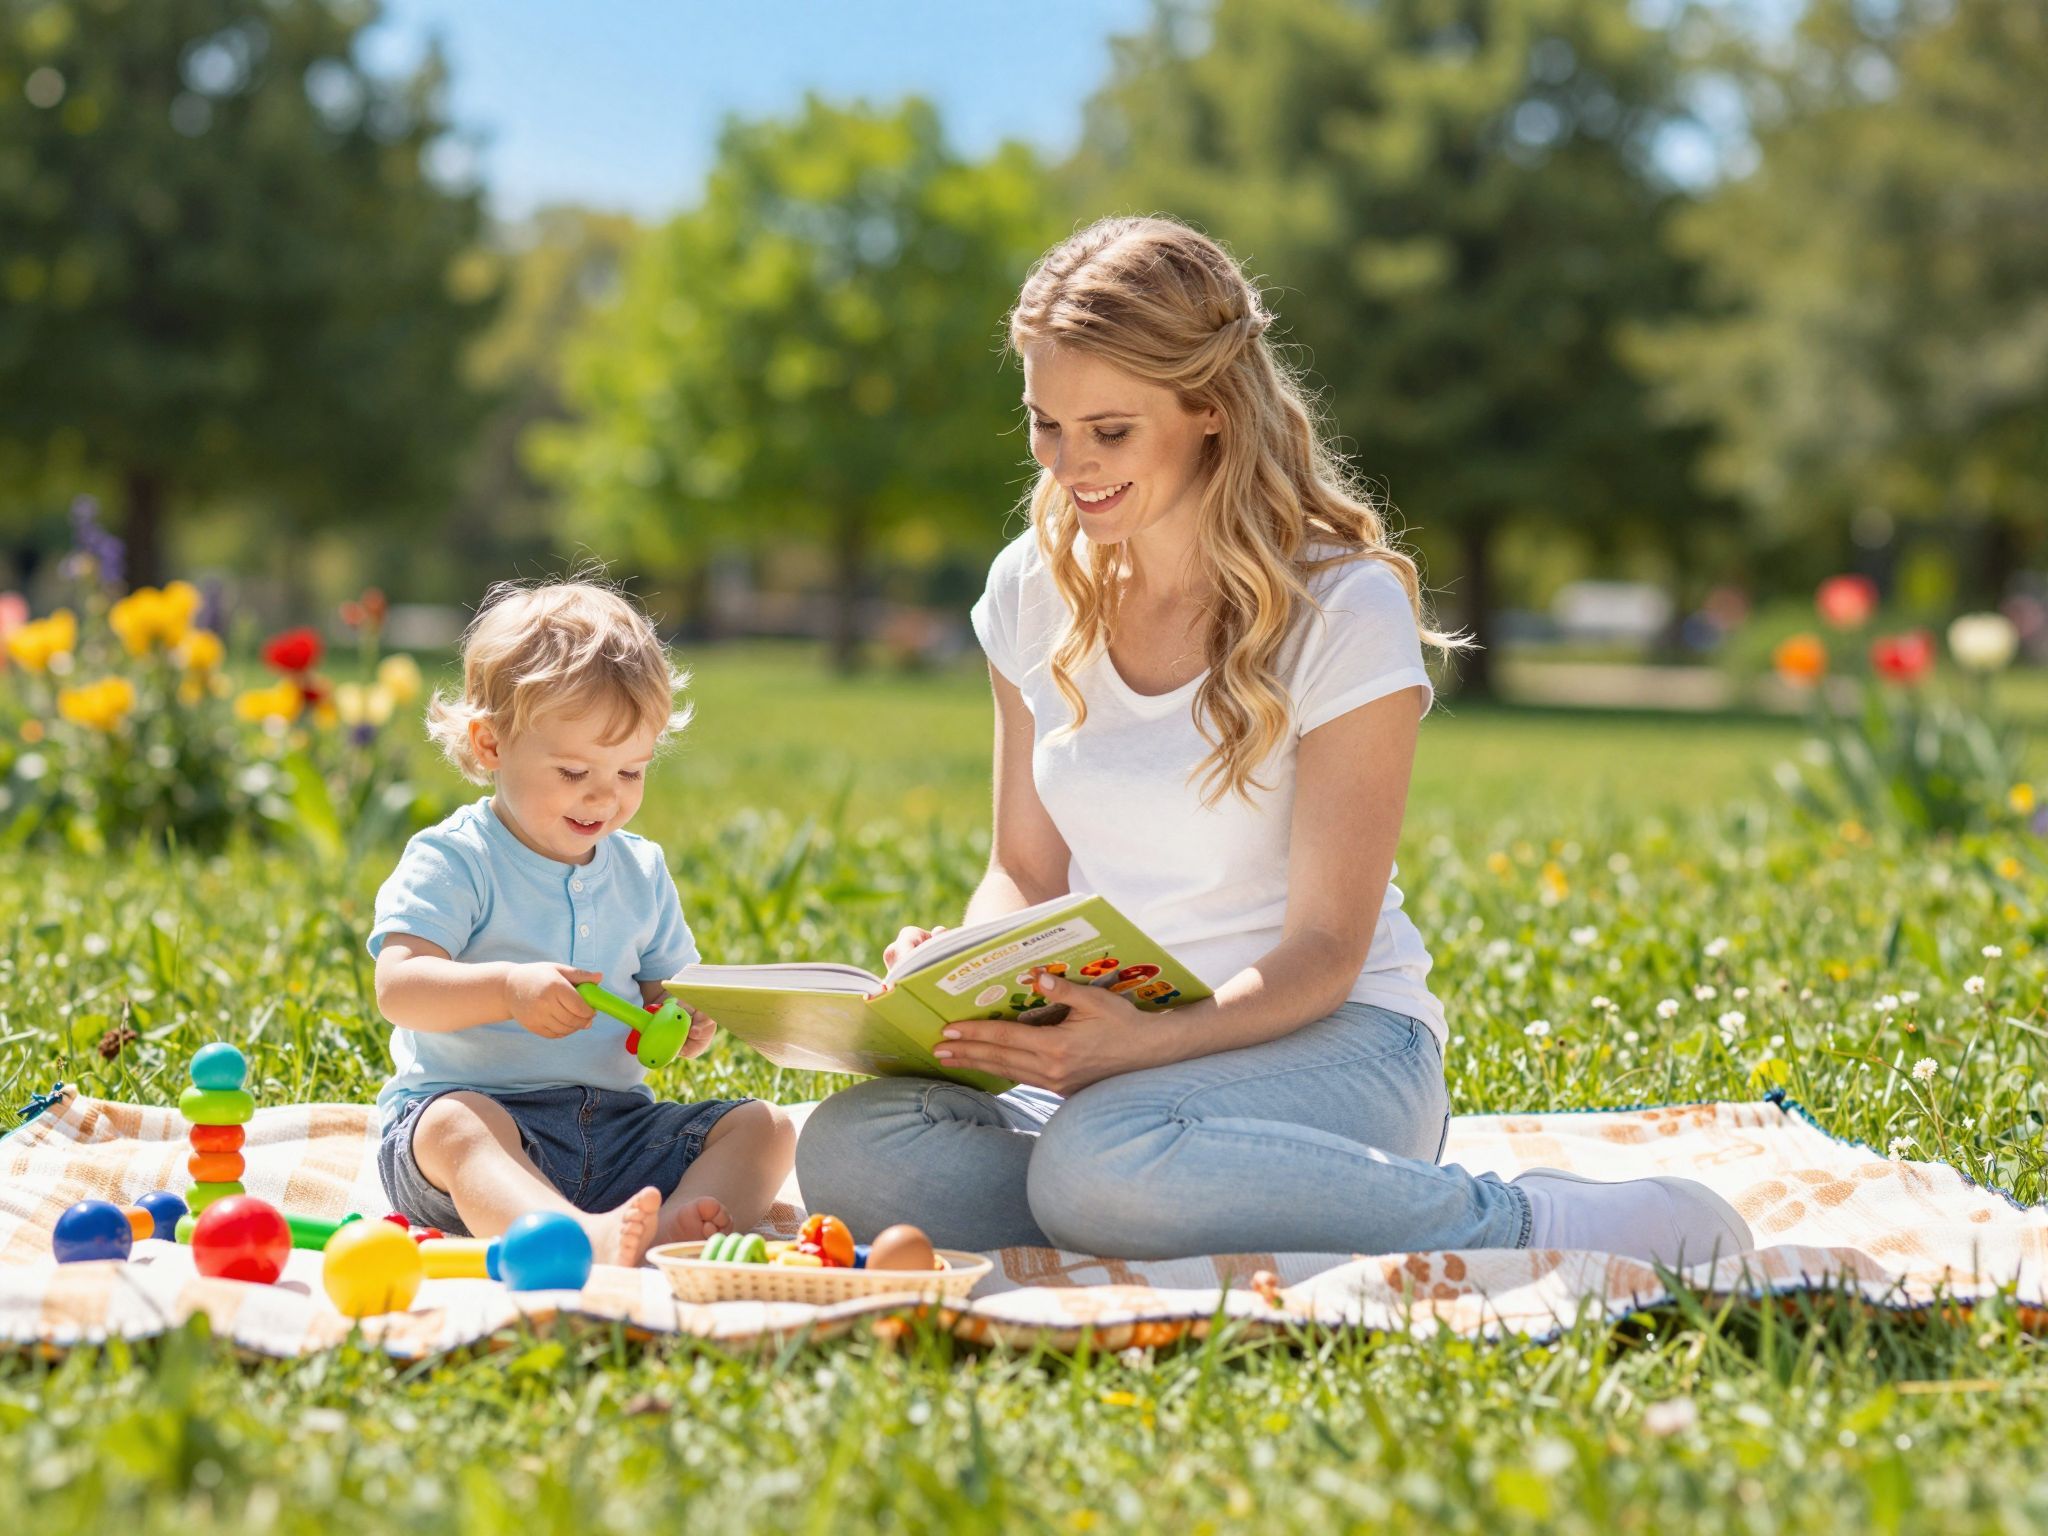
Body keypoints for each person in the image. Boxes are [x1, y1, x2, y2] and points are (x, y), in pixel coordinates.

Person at [795, 216, 1752, 1266]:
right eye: (1043, 425)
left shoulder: (1340, 604)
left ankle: (1526, 1223)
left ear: (1207, 407)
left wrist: (1147, 1047)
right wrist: (965, 975)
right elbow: (1022, 869)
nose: (1070, 468)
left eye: (1109, 432)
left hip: (1330, 1043)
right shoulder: (1031, 583)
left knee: (1098, 1164)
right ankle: (1154, 1195)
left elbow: (1325, 952)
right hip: (1113, 1064)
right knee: (855, 1152)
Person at [368, 579, 795, 1266]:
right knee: (456, 1127)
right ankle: (574, 1238)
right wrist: (506, 989)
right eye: (573, 771)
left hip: (618, 1129)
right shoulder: (457, 858)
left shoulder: (641, 869)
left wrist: (683, 1016)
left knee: (765, 1127)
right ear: (490, 745)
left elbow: (665, 990)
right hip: (483, 1126)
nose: (606, 795)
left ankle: (673, 1230)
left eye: (631, 771)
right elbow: (399, 988)